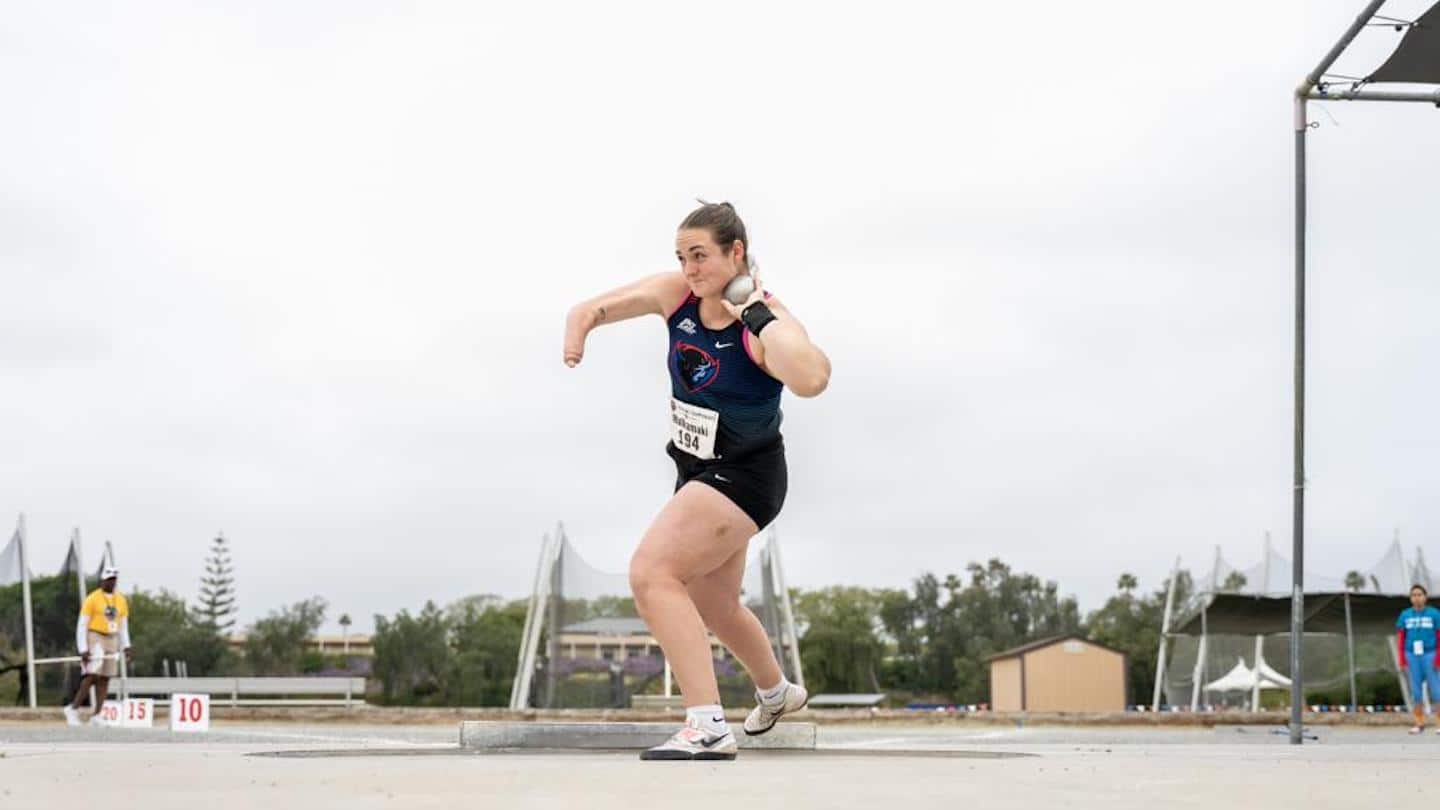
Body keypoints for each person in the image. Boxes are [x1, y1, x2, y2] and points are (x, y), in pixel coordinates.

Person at [562, 201, 830, 761]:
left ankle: (706, 725)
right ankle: (776, 693)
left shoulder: (765, 324)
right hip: (699, 471)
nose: (690, 268)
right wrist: (580, 324)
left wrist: (755, 312)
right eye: (683, 256)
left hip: (746, 475)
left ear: (737, 253)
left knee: (653, 572)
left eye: (701, 256)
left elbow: (811, 377)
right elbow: (597, 306)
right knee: (715, 600)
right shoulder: (675, 296)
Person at [63, 566, 133, 726]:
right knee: (93, 672)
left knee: (105, 677)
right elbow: (82, 625)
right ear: (102, 580)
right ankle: (73, 709)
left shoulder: (121, 600)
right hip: (95, 635)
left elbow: (123, 626)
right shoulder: (92, 599)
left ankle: (97, 714)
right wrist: (83, 649)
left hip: (112, 637)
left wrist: (126, 646)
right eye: (109, 579)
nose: (112, 582)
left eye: (114, 579)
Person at [1397, 583, 1440, 734]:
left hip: (1430, 653)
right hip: (1412, 655)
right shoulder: (1405, 615)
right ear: (1410, 598)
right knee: (1416, 691)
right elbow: (1401, 638)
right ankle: (1419, 722)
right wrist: (1402, 659)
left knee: (1436, 690)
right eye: (1413, 595)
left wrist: (1438, 658)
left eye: (1419, 594)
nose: (1416, 598)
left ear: (1425, 597)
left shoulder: (1434, 614)